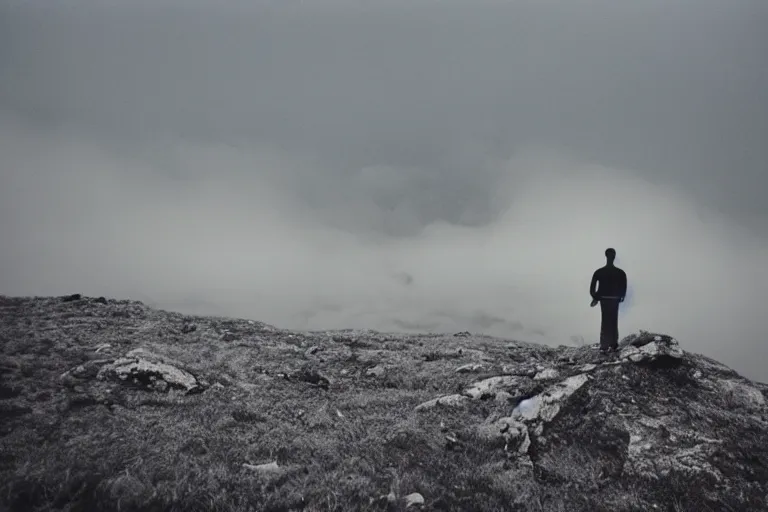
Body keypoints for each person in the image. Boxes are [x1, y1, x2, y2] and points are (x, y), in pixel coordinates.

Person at [590, 248, 627, 353]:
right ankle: (613, 344)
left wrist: (595, 297)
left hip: (604, 299)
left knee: (605, 321)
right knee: (613, 321)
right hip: (614, 299)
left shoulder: (599, 272)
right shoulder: (620, 273)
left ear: (606, 256)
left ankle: (604, 345)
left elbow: (592, 289)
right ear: (614, 256)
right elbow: (624, 286)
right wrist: (621, 296)